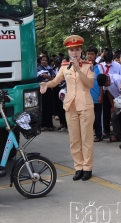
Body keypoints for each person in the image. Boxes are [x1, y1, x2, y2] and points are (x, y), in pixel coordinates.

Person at [40, 35, 96, 181]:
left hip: (85, 105)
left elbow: (89, 84)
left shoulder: (87, 65)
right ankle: (78, 167)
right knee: (74, 139)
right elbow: (56, 81)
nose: (74, 53)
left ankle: (87, 167)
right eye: (71, 50)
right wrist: (46, 84)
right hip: (70, 105)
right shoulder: (64, 67)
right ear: (68, 52)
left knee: (86, 139)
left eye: (77, 50)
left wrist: (78, 68)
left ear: (81, 50)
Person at [37, 55, 56, 131]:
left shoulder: (50, 69)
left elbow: (54, 79)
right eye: (42, 60)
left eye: (45, 60)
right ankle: (42, 124)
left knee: (49, 107)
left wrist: (48, 77)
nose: (44, 61)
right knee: (42, 107)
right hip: (41, 89)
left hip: (49, 89)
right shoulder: (38, 69)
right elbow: (37, 79)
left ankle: (50, 124)